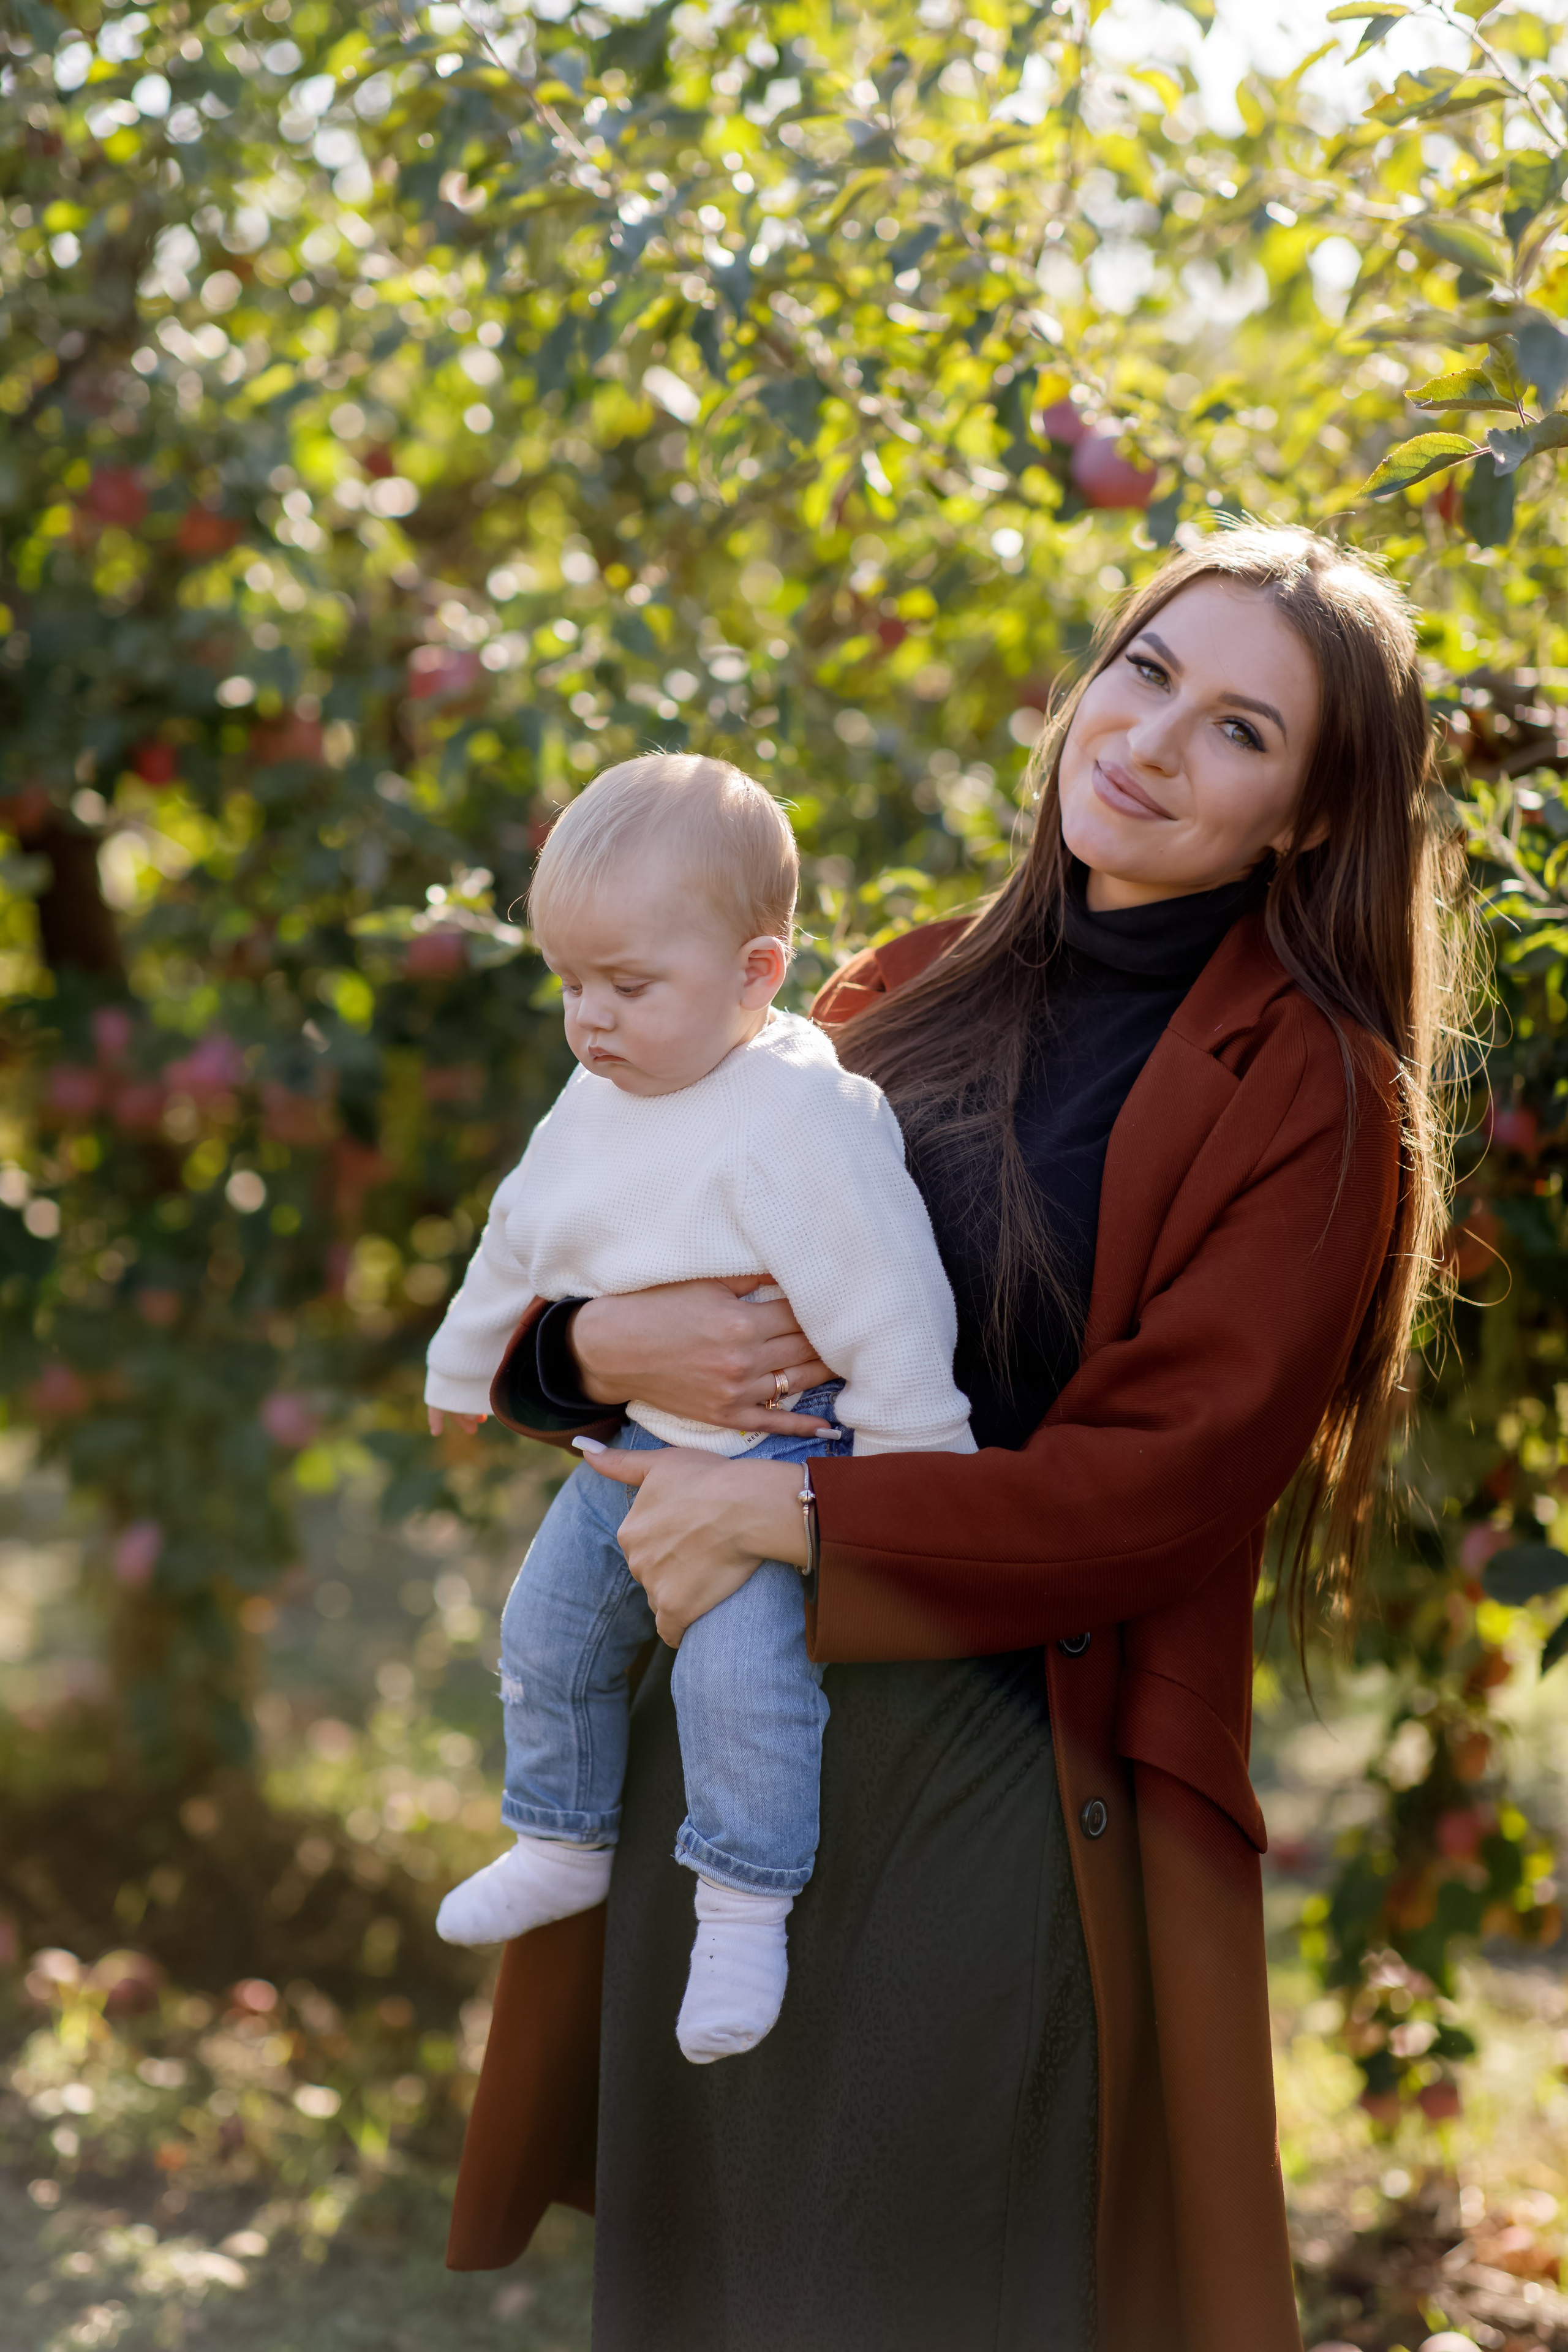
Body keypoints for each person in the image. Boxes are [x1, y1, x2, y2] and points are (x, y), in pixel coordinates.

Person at [444, 527, 1465, 2352]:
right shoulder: (888, 993)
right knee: (705, 2288)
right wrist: (590, 1346)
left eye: (1241, 730)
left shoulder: (1313, 1090)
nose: (1152, 741)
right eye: (1147, 671)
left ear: (1308, 818)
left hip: (990, 1780)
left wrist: (799, 1524)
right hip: (723, 1734)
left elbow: (1163, 1485)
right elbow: (629, 1246)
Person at [423, 753, 973, 2065]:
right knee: (547, 1630)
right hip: (630, 1444)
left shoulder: (797, 1114)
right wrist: (460, 1367)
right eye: (569, 985)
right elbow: (519, 1238)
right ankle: (558, 1836)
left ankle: (742, 1910)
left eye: (625, 986)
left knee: (740, 1686)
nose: (588, 1021)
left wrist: (912, 1460)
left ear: (754, 974)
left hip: (785, 1454)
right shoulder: (597, 1095)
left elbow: (887, 1289)